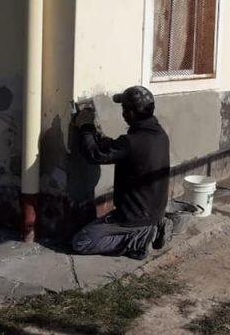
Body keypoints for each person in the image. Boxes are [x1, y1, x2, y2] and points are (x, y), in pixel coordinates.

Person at [71, 86, 173, 259]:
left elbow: (94, 155)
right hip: (154, 212)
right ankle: (152, 229)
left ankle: (139, 241)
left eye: (124, 109)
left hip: (132, 217)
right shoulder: (159, 134)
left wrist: (86, 127)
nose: (123, 113)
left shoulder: (131, 142)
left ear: (131, 113)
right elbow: (124, 150)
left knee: (82, 241)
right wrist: (102, 139)